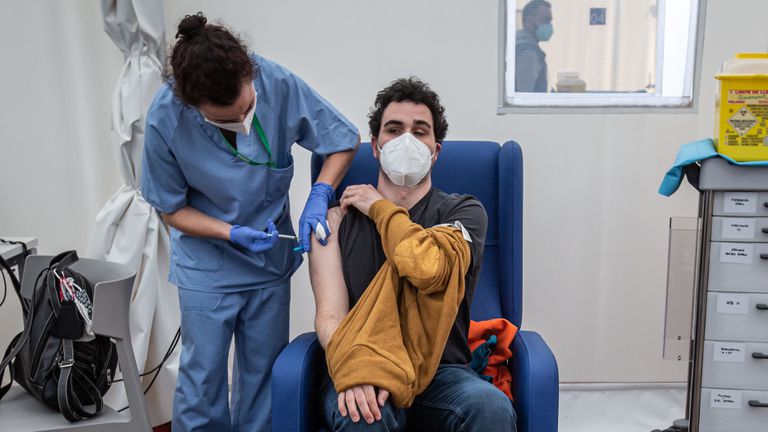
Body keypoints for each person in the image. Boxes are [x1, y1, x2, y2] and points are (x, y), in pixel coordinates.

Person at [140, 12, 359, 432]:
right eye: (227, 119)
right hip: (206, 264)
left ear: (249, 73)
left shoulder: (274, 82)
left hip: (267, 264)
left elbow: (343, 140)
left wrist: (320, 194)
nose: (242, 122)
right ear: (193, 106)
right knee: (202, 383)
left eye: (246, 108)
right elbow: (170, 208)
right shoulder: (164, 117)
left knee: (263, 382)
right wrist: (229, 232)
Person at [308, 77, 517, 432]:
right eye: (394, 130)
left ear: (436, 150)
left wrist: (378, 207)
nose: (406, 140)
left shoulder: (464, 213)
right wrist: (357, 368)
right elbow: (330, 317)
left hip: (442, 373)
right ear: (376, 147)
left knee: (490, 408)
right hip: (363, 360)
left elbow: (427, 267)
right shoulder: (335, 222)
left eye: (420, 132)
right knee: (363, 417)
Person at [515, 0, 553, 92]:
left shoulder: (517, 44)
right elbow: (525, 95)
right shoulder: (528, 53)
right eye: (545, 20)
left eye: (550, 21)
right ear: (529, 21)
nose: (549, 25)